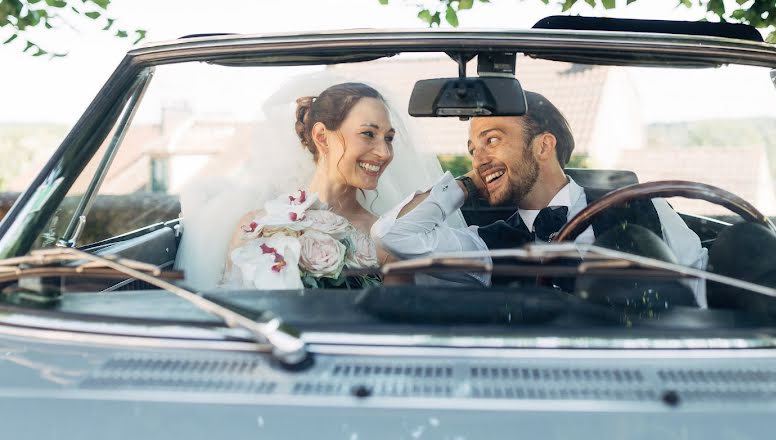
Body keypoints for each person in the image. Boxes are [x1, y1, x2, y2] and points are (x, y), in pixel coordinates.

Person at [372, 91, 709, 307]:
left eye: (492, 140)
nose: (478, 158)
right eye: (473, 150)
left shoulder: (642, 207)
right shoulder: (486, 246)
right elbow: (394, 235)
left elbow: (701, 292)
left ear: (544, 146)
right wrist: (469, 182)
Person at [176, 76, 488, 290]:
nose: (384, 152)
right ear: (322, 137)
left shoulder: (389, 239)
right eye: (368, 134)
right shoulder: (257, 226)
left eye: (389, 139)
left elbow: (393, 330)